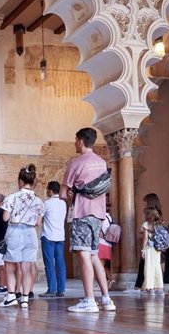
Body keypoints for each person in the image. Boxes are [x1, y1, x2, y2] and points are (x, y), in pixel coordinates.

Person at [61, 127, 115, 313]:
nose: (75, 143)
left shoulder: (76, 163)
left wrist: (68, 196)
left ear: (81, 141)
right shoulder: (101, 163)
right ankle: (107, 299)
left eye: (76, 140)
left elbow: (62, 193)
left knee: (83, 254)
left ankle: (89, 299)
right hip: (98, 215)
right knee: (93, 255)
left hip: (82, 213)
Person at [0, 165, 44, 309]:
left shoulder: (11, 197)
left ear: (20, 182)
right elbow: (38, 222)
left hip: (15, 232)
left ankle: (11, 295)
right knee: (27, 267)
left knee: (10, 266)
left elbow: (5, 218)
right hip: (30, 234)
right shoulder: (39, 201)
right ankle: (25, 299)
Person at [127, 193, 162, 293]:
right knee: (155, 266)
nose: (143, 204)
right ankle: (157, 287)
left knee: (146, 266)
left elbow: (146, 236)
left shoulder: (147, 219)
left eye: (145, 202)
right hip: (157, 247)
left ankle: (146, 287)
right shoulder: (158, 216)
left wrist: (143, 249)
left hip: (149, 246)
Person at [40, 181, 67, 298]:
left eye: (47, 189)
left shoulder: (47, 203)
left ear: (50, 190)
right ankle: (61, 289)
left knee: (49, 263)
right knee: (60, 262)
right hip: (60, 236)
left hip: (48, 236)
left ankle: (51, 289)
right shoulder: (63, 203)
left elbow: (39, 218)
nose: (47, 191)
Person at [140, 207, 165, 295]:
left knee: (148, 267)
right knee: (157, 267)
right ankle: (159, 287)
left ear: (148, 215)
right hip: (157, 248)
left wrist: (143, 250)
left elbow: (145, 238)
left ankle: (149, 288)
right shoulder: (159, 224)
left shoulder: (146, 224)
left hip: (150, 248)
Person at [99, 208, 115, 289]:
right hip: (108, 244)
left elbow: (99, 232)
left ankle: (102, 284)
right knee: (106, 265)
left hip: (101, 243)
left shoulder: (102, 218)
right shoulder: (110, 218)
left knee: (100, 265)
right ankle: (110, 280)